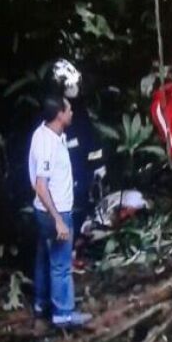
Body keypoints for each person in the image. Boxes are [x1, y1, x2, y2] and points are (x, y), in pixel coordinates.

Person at [29, 95, 91, 328]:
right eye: (69, 109)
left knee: (44, 258)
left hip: (43, 210)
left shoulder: (45, 133)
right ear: (59, 115)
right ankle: (63, 314)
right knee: (61, 265)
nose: (72, 112)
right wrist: (58, 220)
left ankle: (41, 304)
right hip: (55, 212)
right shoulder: (47, 144)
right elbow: (41, 185)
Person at [46, 59, 106, 243]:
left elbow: (90, 139)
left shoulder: (78, 110)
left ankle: (78, 244)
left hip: (81, 174)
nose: (76, 87)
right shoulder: (50, 114)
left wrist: (98, 165)